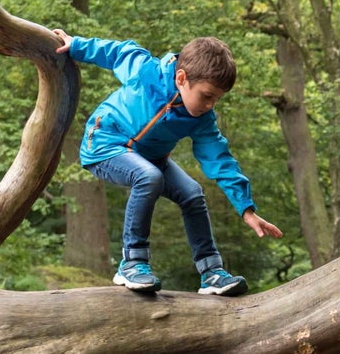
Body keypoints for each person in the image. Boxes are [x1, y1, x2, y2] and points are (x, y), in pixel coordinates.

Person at [52, 29, 283, 296]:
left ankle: (211, 272)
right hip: (105, 144)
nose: (210, 105)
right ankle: (132, 262)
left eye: (217, 99)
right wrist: (76, 45)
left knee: (193, 194)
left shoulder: (201, 120)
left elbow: (220, 159)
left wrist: (246, 209)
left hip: (150, 159)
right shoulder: (146, 71)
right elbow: (116, 52)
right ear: (182, 78)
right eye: (207, 95)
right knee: (149, 177)